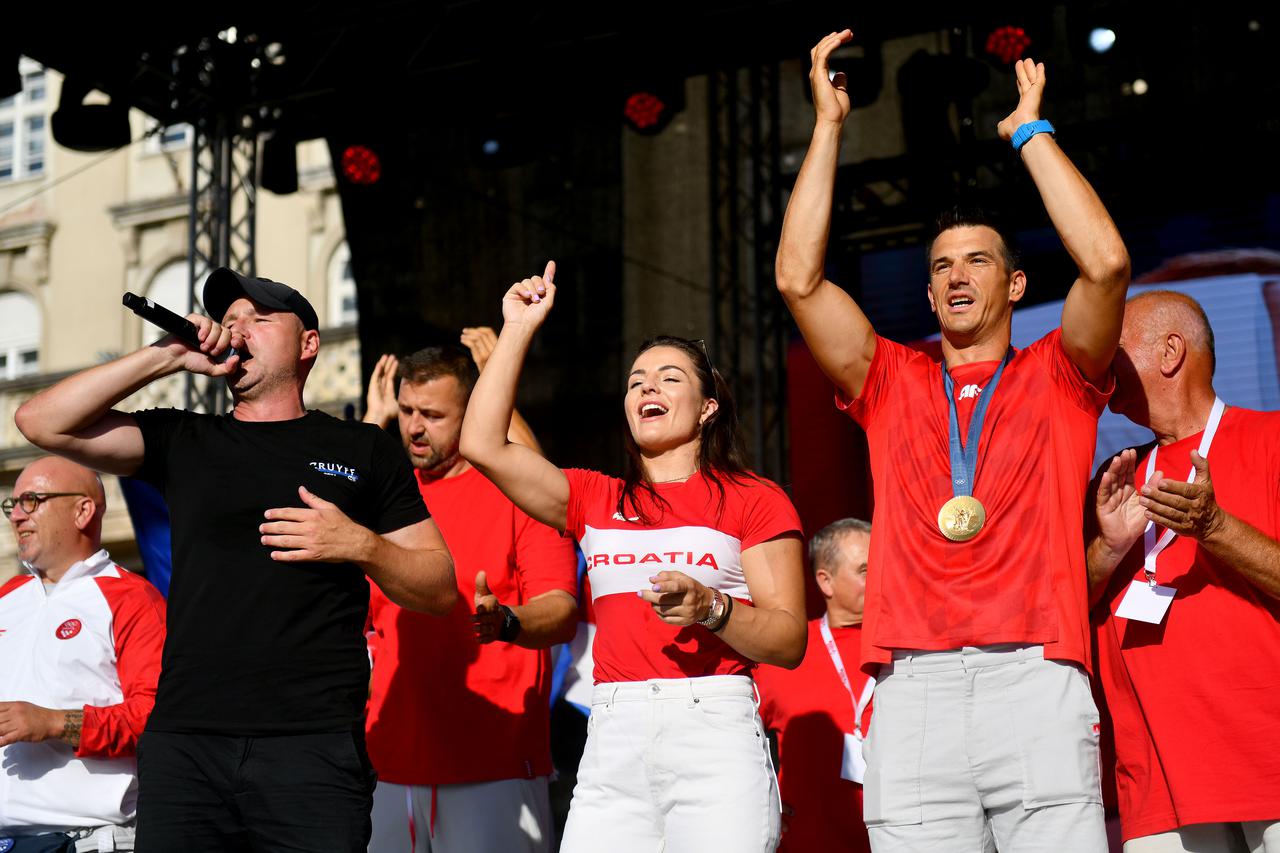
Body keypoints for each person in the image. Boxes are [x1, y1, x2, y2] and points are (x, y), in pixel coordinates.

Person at [776, 30, 1131, 852]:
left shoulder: (1059, 373)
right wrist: (829, 125)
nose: (957, 275)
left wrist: (1030, 135)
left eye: (978, 260)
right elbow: (798, 278)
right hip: (910, 684)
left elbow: (1107, 264)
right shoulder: (890, 378)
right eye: (941, 265)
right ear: (931, 291)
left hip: (1036, 673)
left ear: (1014, 284)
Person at [13, 267, 456, 852]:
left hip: (311, 745)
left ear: (307, 344)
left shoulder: (361, 447)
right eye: (229, 320)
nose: (237, 330)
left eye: (258, 318)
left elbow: (440, 584)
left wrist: (359, 544)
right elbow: (39, 421)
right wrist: (167, 356)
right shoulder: (185, 440)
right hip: (188, 744)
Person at [458, 262, 807, 853]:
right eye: (636, 379)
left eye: (670, 378)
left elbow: (788, 639)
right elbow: (482, 443)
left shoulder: (755, 499)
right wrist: (516, 329)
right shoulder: (595, 497)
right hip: (613, 731)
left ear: (706, 408)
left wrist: (712, 607)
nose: (647, 387)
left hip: (714, 730)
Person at [361, 334, 578, 853]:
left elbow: (562, 609)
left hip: (494, 762)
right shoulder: (387, 499)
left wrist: (508, 621)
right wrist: (372, 423)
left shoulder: (516, 494)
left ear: (474, 409)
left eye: (433, 415)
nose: (414, 426)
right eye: (407, 410)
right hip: (390, 764)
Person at [1088, 290, 1280, 852]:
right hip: (1157, 774)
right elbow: (1065, 605)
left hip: (1267, 754)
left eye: (1114, 349)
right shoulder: (1114, 477)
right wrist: (1107, 546)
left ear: (1171, 352)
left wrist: (1215, 527)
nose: (1098, 364)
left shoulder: (1270, 441)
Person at [0, 457, 165, 852]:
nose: (17, 517)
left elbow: (160, 719)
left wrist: (55, 723)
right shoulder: (8, 596)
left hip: (85, 841)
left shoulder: (132, 598)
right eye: (13, 504)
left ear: (82, 511)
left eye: (32, 501)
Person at [755, 518, 874, 853]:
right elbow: (732, 740)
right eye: (865, 569)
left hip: (906, 839)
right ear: (826, 581)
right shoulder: (786, 652)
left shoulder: (910, 648)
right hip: (808, 841)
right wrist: (760, 803)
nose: (881, 578)